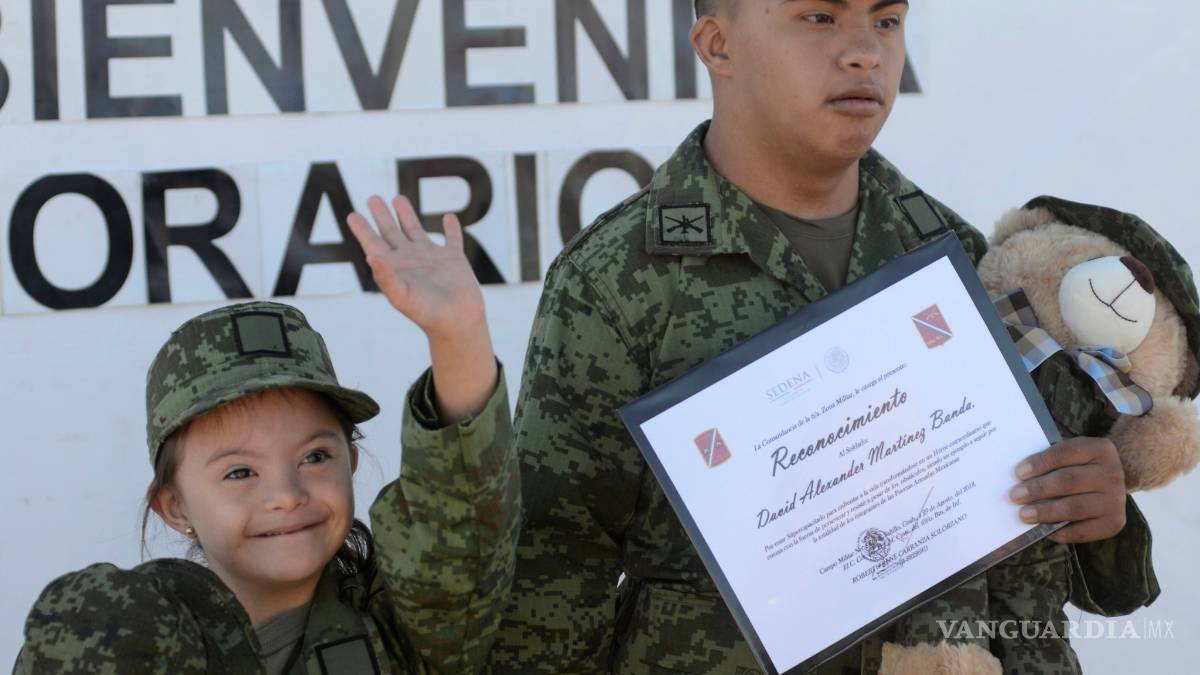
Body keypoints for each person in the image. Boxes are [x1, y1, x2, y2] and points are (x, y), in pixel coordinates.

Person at [358, 3, 1156, 674]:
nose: (863, 51)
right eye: (818, 15)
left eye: (887, 19)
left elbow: (1056, 565)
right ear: (718, 44)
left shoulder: (953, 253)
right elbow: (557, 577)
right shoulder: (617, 280)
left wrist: (1099, 513)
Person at [14, 208, 515, 674]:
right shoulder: (123, 637)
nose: (286, 495)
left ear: (353, 462)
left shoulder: (400, 623)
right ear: (175, 507)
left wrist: (458, 334)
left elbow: (458, 515)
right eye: (239, 472)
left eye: (315, 457)